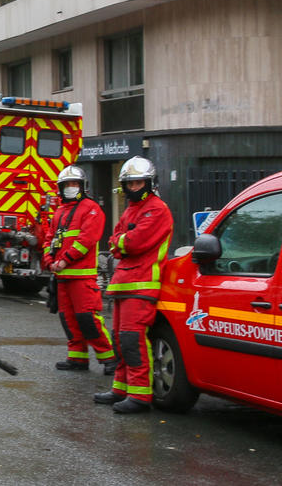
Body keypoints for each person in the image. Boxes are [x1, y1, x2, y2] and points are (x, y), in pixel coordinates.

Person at [93, 156, 173, 414]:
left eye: (138, 183)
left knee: (132, 339)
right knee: (119, 339)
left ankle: (140, 395)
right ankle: (120, 388)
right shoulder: (131, 209)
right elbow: (114, 239)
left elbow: (134, 242)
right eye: (130, 183)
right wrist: (121, 242)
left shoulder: (157, 209)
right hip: (124, 283)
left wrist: (121, 242)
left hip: (142, 284)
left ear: (149, 183)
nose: (133, 188)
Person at [45, 166, 116, 374]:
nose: (71, 188)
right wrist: (49, 259)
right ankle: (77, 357)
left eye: (74, 184)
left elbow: (86, 239)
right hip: (62, 275)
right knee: (68, 319)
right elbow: (50, 239)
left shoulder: (91, 209)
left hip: (82, 275)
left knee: (88, 319)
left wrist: (65, 260)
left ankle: (109, 358)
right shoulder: (59, 212)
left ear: (83, 186)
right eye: (67, 185)